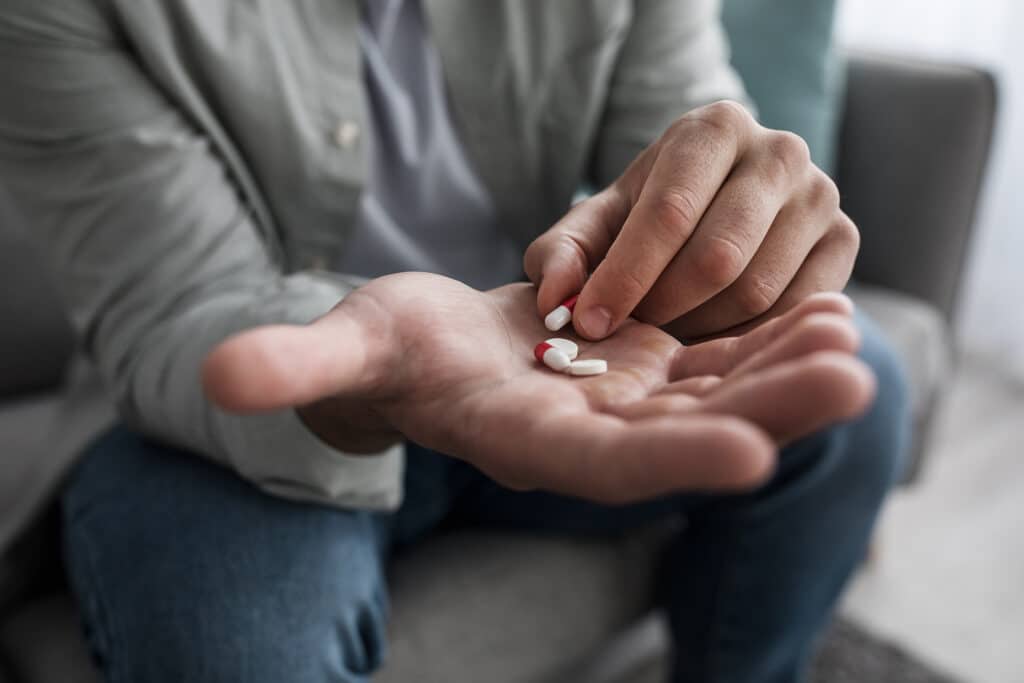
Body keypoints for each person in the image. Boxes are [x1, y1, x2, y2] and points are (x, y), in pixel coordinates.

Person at [0, 1, 908, 681]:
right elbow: (176, 304)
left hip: (552, 373)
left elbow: (684, 145)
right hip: (234, 418)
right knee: (232, 642)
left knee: (856, 379)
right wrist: (378, 366)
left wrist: (729, 221)